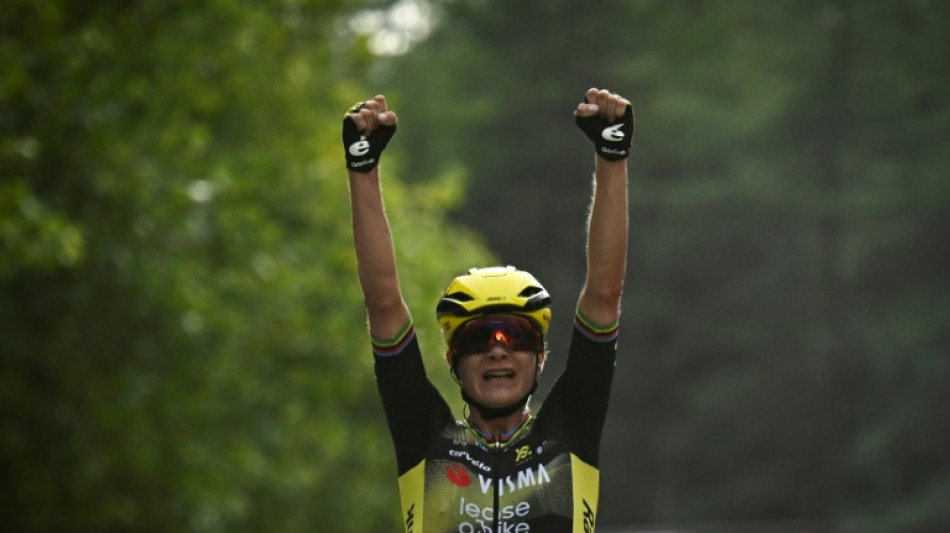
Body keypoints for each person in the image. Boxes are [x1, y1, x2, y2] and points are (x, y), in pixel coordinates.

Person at [344, 87, 632, 533]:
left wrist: (612, 156)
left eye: (516, 337)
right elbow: (383, 305)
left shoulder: (567, 431)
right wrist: (363, 167)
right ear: (452, 360)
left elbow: (604, 294)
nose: (498, 349)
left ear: (541, 357)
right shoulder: (428, 439)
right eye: (479, 339)